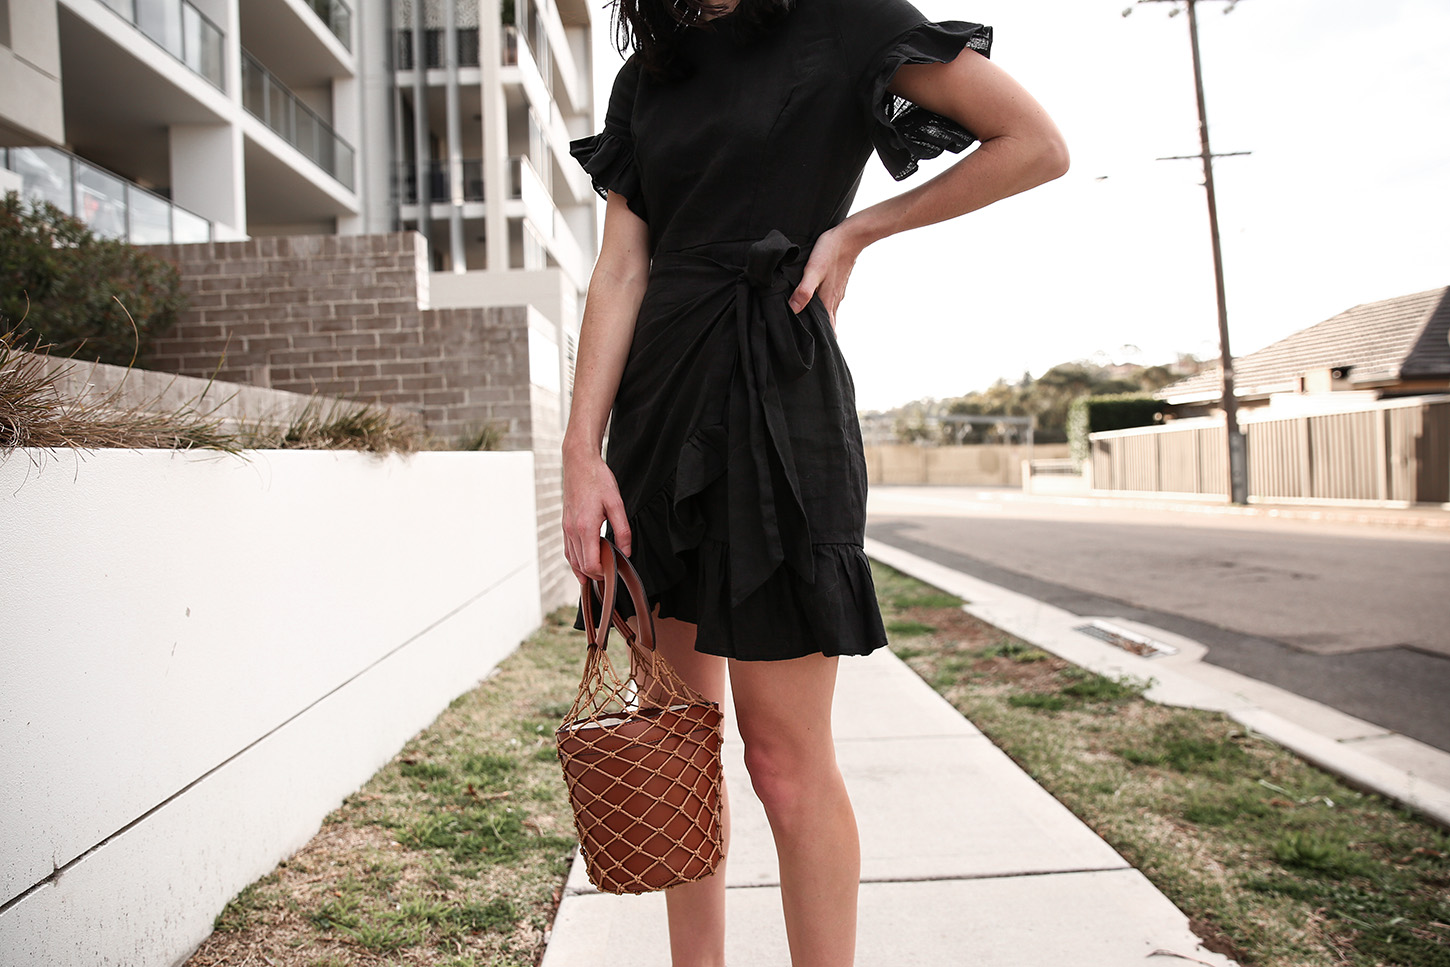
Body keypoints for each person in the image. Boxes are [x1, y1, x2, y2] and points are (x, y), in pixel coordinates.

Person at [561, 0, 1067, 962]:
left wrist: (858, 232)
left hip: (778, 400)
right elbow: (621, 269)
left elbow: (1034, 143)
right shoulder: (651, 72)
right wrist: (581, 452)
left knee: (784, 763)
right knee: (677, 747)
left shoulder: (846, 19)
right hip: (658, 407)